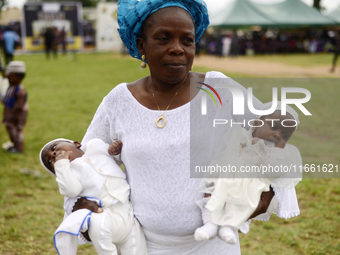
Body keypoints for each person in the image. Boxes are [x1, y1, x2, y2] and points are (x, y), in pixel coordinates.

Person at [62, 1, 299, 254]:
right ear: (142, 45)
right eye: (163, 38)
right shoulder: (119, 100)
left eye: (187, 40)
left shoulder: (218, 89)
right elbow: (85, 161)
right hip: (140, 244)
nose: (177, 49)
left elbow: (277, 130)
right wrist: (81, 204)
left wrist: (267, 191)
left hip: (213, 243)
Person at [194, 103, 302, 244]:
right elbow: (225, 149)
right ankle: (209, 224)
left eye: (285, 135)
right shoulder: (239, 134)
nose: (277, 135)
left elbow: (275, 171)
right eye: (274, 128)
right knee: (213, 194)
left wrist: (261, 149)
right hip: (227, 176)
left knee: (244, 203)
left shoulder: (279, 154)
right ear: (256, 124)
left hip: (250, 185)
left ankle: (228, 227)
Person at [39, 138, 147, 255]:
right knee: (97, 225)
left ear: (76, 144)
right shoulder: (70, 174)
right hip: (106, 214)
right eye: (50, 161)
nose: (53, 155)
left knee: (136, 249)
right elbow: (72, 190)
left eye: (54, 148)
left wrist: (114, 151)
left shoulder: (95, 146)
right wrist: (62, 165)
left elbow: (115, 159)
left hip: (127, 212)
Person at [1, 61, 28, 153]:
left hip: (16, 117)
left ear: (18, 77)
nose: (8, 78)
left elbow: (20, 106)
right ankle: (14, 144)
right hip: (9, 116)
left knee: (17, 131)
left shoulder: (20, 91)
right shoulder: (11, 87)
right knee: (11, 130)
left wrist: (18, 117)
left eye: (10, 77)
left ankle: (19, 147)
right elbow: (6, 99)